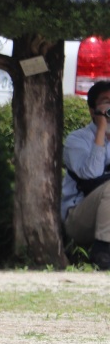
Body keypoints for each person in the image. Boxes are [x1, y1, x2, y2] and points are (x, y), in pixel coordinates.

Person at [62, 80, 110, 269]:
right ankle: (103, 252)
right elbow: (91, 176)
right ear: (92, 110)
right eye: (106, 102)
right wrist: (101, 130)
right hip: (78, 219)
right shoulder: (77, 140)